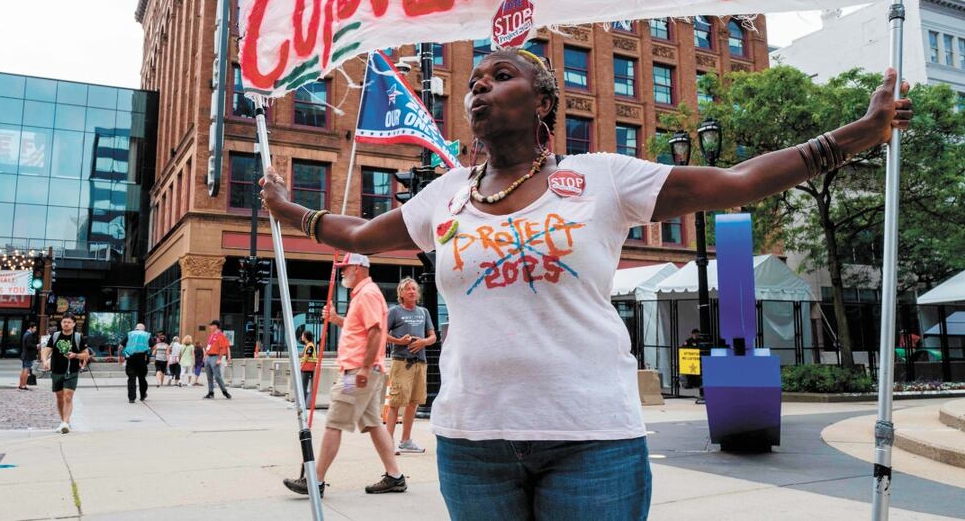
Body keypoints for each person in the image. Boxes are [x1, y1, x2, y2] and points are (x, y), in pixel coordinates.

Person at [261, 49, 912, 519]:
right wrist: (290, 212)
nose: (479, 88)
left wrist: (859, 133)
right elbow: (358, 235)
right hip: (472, 441)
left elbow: (739, 182)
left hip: (592, 439)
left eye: (501, 75)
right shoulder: (444, 195)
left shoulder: (601, 178)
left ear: (543, 101)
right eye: (475, 81)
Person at [283, 253, 406, 497]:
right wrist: (336, 319)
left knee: (334, 422)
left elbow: (375, 332)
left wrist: (363, 368)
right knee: (372, 423)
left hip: (357, 375)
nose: (341, 272)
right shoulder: (363, 294)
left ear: (358, 268)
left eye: (345, 268)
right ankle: (395, 476)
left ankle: (315, 480)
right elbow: (361, 330)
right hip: (365, 371)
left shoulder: (368, 294)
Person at [385, 277, 437, 455]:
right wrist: (398, 341)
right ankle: (387, 443)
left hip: (420, 363)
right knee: (395, 403)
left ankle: (405, 441)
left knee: (413, 403)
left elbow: (433, 337)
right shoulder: (394, 312)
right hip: (401, 363)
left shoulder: (423, 312)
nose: (412, 291)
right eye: (408, 289)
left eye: (414, 288)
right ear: (401, 293)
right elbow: (381, 334)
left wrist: (423, 342)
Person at [41, 313, 89, 434]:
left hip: (71, 371)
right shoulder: (56, 336)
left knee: (68, 396)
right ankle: (63, 422)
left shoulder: (78, 337)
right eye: (64, 322)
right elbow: (46, 350)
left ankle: (66, 422)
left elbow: (86, 354)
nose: (66, 324)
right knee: (59, 397)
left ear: (73, 324)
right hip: (56, 370)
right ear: (61, 323)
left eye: (69, 322)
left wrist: (76, 355)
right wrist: (45, 360)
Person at [121, 323, 155, 403]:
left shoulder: (129, 334)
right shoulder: (147, 335)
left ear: (136, 328)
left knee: (131, 378)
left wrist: (120, 356)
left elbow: (121, 346)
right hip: (142, 358)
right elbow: (153, 346)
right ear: (143, 329)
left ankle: (131, 398)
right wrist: (148, 352)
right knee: (142, 377)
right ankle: (142, 395)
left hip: (130, 358)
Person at [203, 320, 231, 399]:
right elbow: (209, 346)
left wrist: (219, 359)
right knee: (209, 377)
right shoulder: (212, 335)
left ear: (215, 326)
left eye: (211, 325)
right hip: (208, 357)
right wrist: (205, 355)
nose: (210, 327)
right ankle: (210, 392)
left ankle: (224, 391)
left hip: (215, 357)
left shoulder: (221, 336)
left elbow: (223, 348)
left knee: (217, 376)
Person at [300, 330, 317, 408]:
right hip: (309, 367)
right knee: (305, 386)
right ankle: (305, 403)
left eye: (302, 335)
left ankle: (302, 403)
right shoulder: (309, 345)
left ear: (305, 336)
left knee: (303, 386)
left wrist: (302, 366)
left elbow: (307, 357)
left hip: (307, 368)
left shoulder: (310, 346)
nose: (301, 337)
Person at [18, 323, 39, 390]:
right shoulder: (29, 335)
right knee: (26, 370)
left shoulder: (25, 334)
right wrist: (36, 346)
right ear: (31, 328)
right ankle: (23, 385)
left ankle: (21, 385)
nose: (35, 330)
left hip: (25, 354)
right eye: (34, 328)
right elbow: (29, 345)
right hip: (28, 355)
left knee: (24, 369)